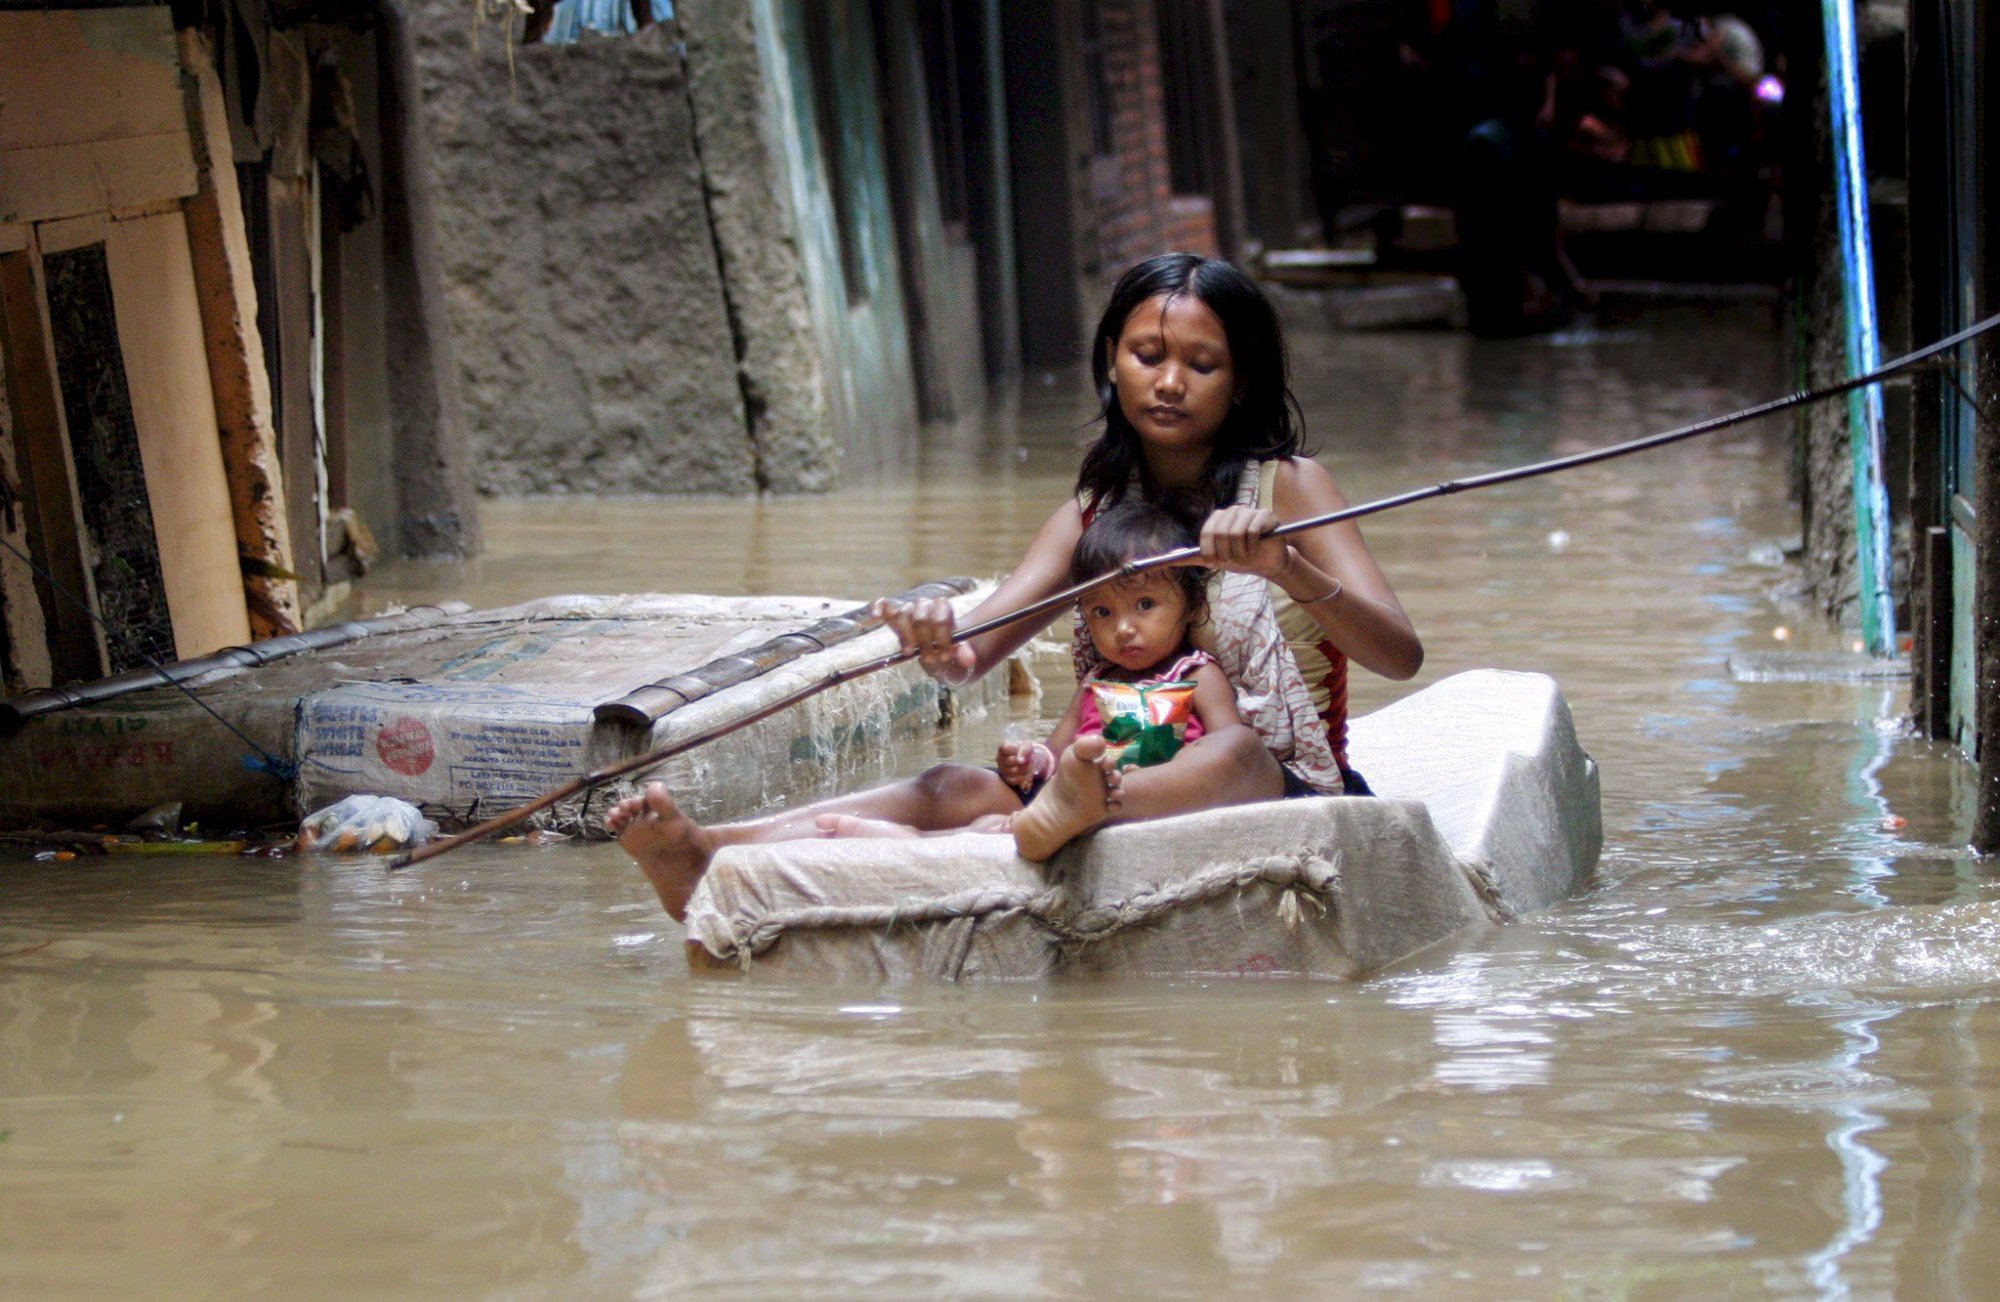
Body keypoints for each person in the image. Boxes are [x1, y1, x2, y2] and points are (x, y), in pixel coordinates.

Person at [611, 252, 1423, 921]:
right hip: (1086, 778)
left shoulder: (1290, 488)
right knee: (947, 784)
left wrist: (1288, 566)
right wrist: (937, 640)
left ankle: (1076, 810)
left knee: (1236, 748)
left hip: (1269, 785)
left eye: (1200, 364)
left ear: (1239, 382)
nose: (1170, 382)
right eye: (1148, 357)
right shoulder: (1090, 514)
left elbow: (1400, 654)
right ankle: (709, 853)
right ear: (1113, 364)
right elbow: (974, 653)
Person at [809, 500, 1246, 859]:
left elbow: (1221, 758)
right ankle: (911, 843)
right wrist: (1027, 760)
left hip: (1151, 806)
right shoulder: (1096, 683)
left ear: (1191, 605)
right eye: (1102, 612)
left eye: (1145, 604)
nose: (1124, 628)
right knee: (986, 827)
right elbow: (1055, 756)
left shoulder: (1197, 674)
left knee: (1010, 827)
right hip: (1070, 810)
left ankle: (943, 839)